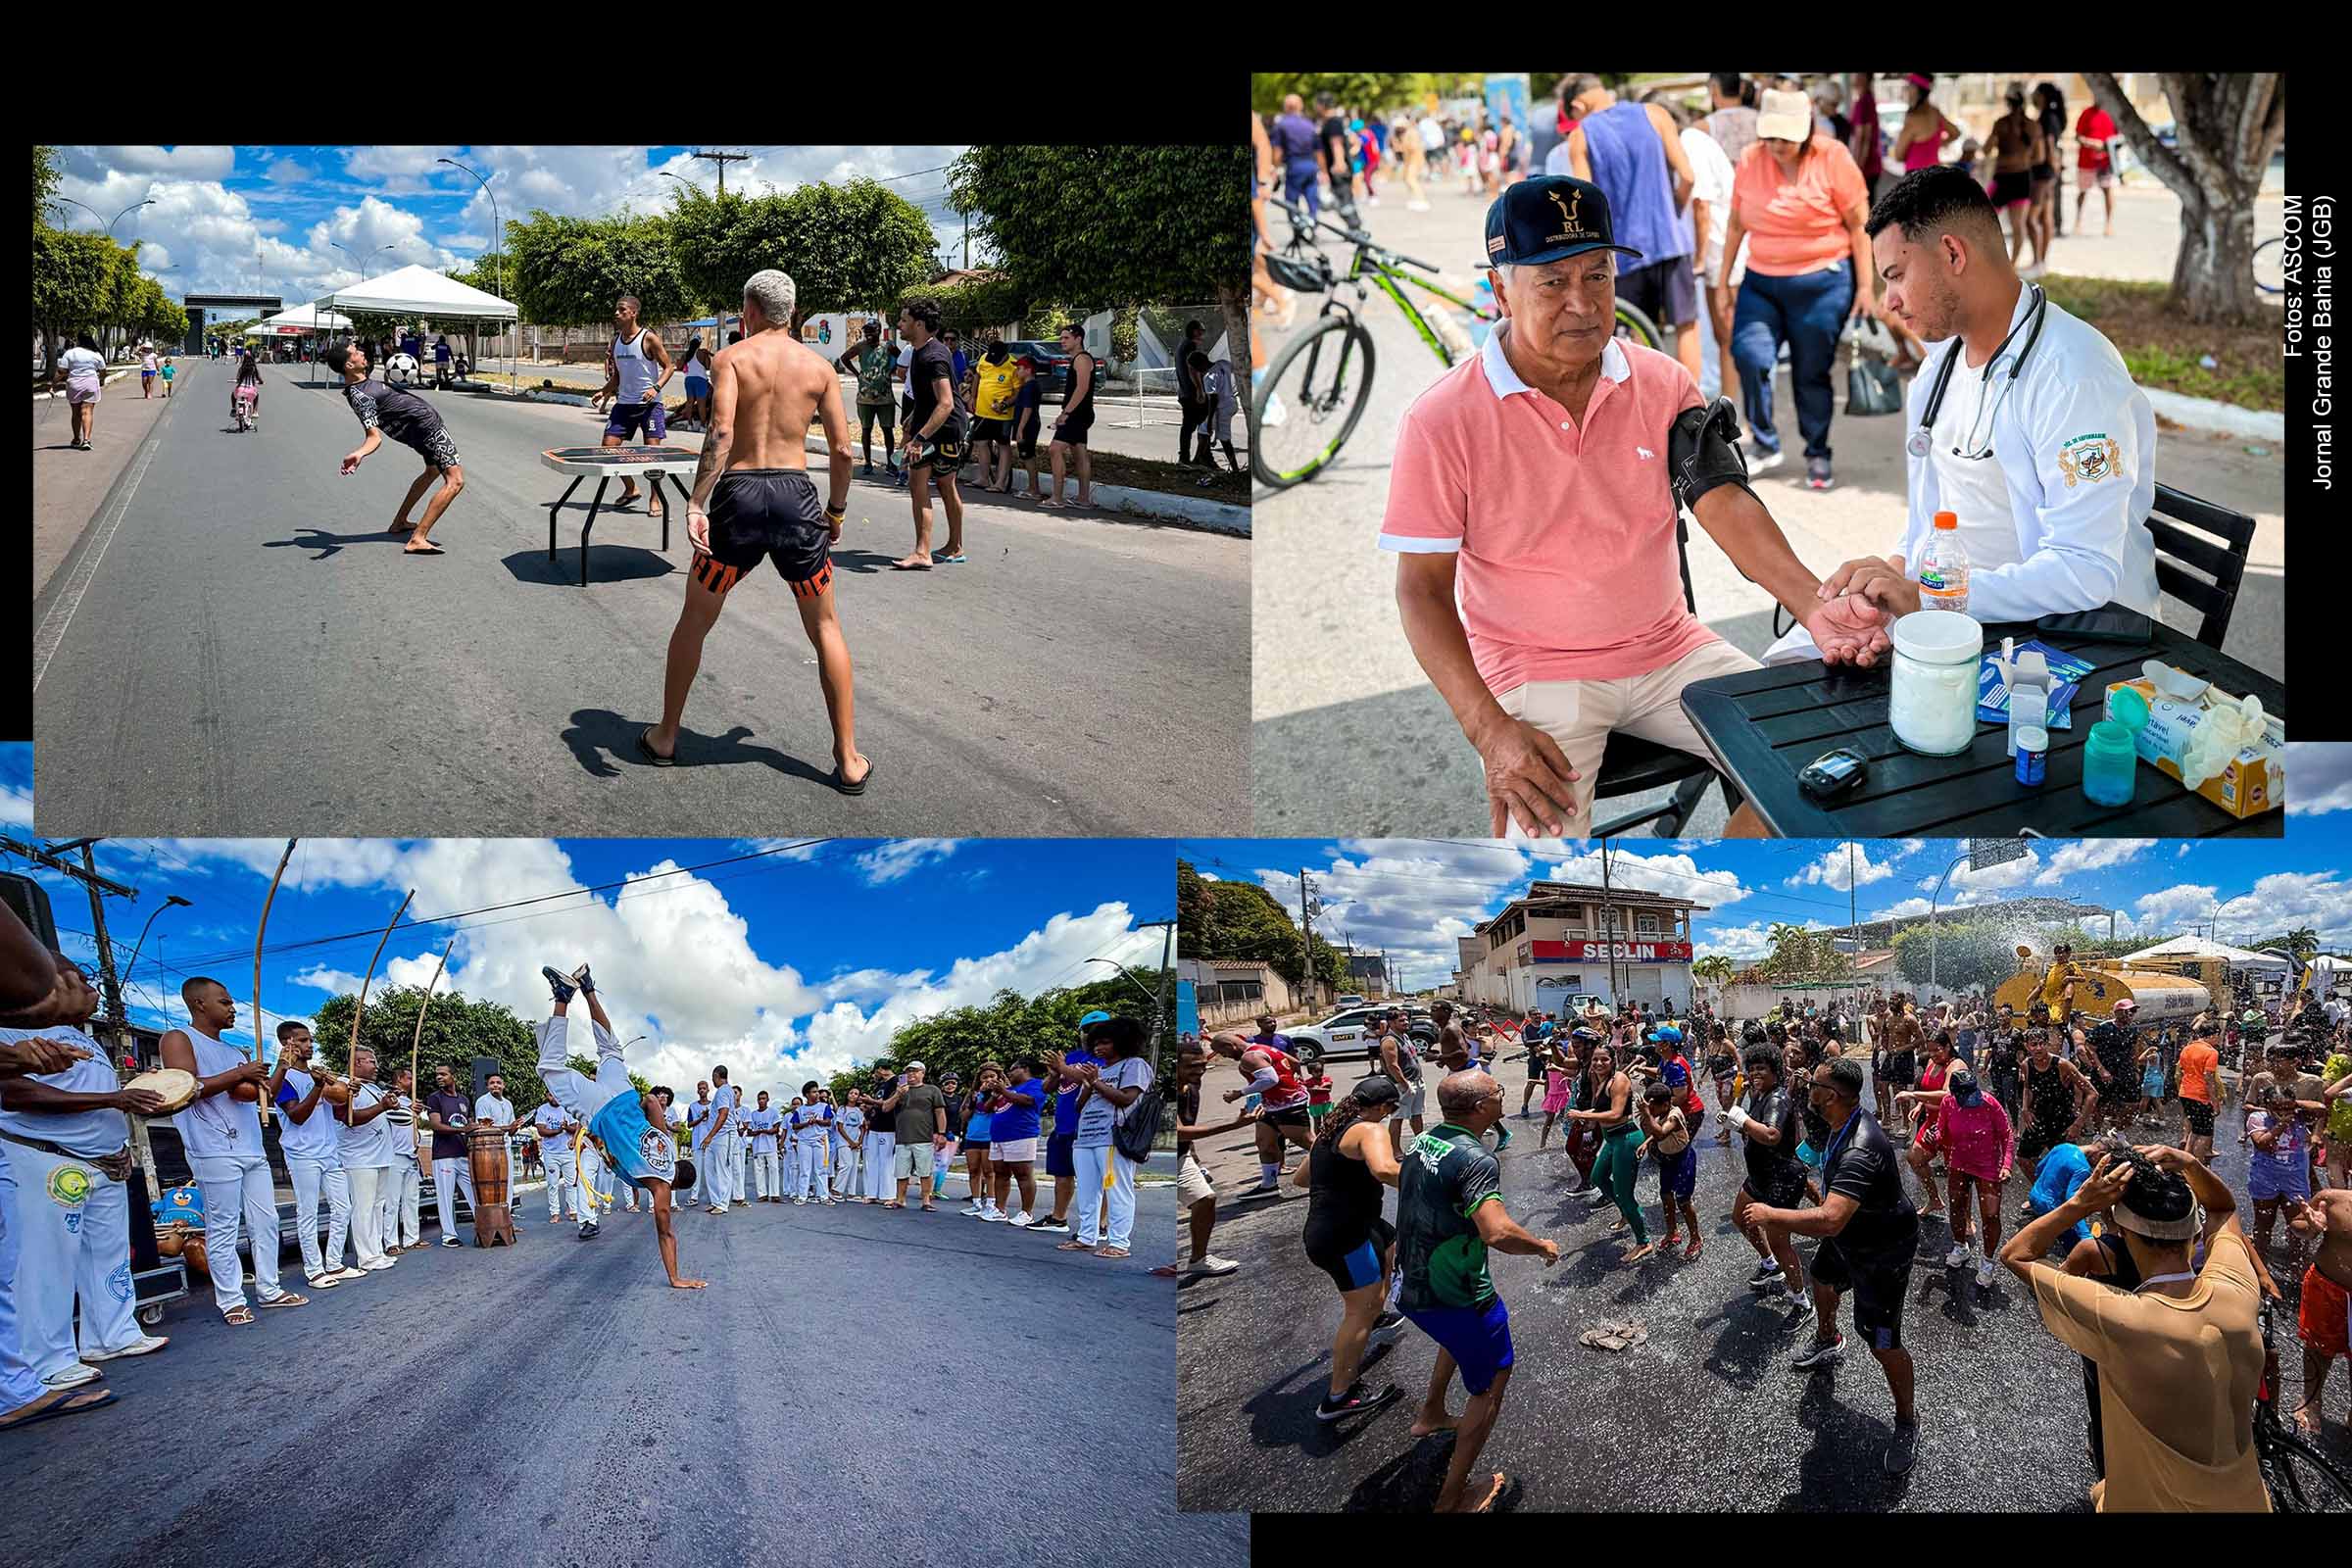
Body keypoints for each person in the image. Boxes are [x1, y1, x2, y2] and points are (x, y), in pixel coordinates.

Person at [1384, 172, 1891, 842]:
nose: (1582, 304)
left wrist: (1814, 607)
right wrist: (1490, 729)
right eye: (1552, 282)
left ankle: (1718, 897)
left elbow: (1724, 501)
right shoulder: (1442, 419)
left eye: (1598, 276)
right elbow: (1421, 593)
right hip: (1538, 673)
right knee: (1544, 880)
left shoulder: (1660, 380)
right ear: (1501, 289)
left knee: (1833, 768)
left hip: (1670, 649)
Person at [1787, 167, 2164, 652]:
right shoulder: (1938, 369)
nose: (1890, 302)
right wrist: (1891, 574)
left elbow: (2085, 570)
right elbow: (1932, 519)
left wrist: (1929, 597)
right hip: (1961, 616)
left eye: (1896, 276)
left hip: (2069, 637)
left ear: (1952, 253)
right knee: (1803, 653)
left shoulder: (2073, 376)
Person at [641, 270, 865, 793]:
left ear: (750, 311)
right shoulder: (819, 368)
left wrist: (697, 502)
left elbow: (721, 430)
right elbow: (841, 450)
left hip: (739, 497)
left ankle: (666, 736)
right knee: (826, 628)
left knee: (695, 618)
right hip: (794, 499)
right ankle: (849, 758)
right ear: (792, 310)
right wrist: (834, 513)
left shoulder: (732, 359)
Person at [2000, 1143, 2271, 1509]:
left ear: (2123, 1232)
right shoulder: (2235, 1287)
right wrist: (2191, 1163)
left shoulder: (2123, 1318)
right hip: (2249, 1499)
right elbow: (2223, 1208)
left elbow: (2016, 1254)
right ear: (2193, 1232)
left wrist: (2080, 1204)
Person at [0, 958, 171, 1388]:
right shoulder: (13, 1029)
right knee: (47, 1262)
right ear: (52, 982)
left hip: (104, 1163)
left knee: (108, 1257)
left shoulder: (84, 1038)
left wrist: (121, 1143)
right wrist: (115, 1100)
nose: (92, 989)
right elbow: (18, 1094)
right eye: (83, 979)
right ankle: (48, 1360)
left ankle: (111, 1334)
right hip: (50, 1159)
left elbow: (103, 1100)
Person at [1746, 1056, 1921, 1473]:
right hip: (1850, 1236)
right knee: (1823, 1279)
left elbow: (1830, 1219)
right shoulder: (1836, 1121)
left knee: (1883, 1343)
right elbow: (1806, 1146)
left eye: (1816, 1085)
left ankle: (1907, 1420)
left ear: (1834, 1096)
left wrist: (1772, 1214)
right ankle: (1828, 1338)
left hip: (1882, 1249)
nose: (1809, 1089)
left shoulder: (1861, 1147)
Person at [1396, 1069, 1557, 1512]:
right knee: (1488, 1387)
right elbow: (1497, 1231)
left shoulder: (1425, 1140)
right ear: (1482, 1107)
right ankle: (1453, 1498)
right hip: (1460, 1294)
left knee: (1453, 1343)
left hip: (1412, 1282)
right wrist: (1541, 1245)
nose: (1501, 1096)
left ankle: (1430, 1414)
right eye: (1497, 1093)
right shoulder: (1476, 1158)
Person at [1713, 88, 1876, 492]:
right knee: (1749, 356)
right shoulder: (1751, 160)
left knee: (1810, 371)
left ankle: (1817, 451)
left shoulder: (1832, 157)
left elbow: (1860, 225)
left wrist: (1867, 287)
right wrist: (1722, 282)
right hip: (1761, 281)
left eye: (1785, 136)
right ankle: (1764, 442)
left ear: (1805, 132)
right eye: (1770, 136)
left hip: (1823, 282)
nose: (1777, 145)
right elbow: (1735, 225)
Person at [531, 965, 703, 1287]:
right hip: (601, 1110)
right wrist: (677, 1277)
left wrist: (631, 1118)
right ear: (678, 1183)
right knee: (549, 1068)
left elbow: (652, 1102)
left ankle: (588, 987)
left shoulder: (665, 1141)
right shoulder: (662, 1187)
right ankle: (563, 998)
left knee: (611, 1051)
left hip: (624, 1096)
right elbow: (666, 1234)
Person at [160, 977, 308, 1324]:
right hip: (211, 1148)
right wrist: (241, 1071)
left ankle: (270, 1290)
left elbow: (257, 1096)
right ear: (199, 1004)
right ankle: (230, 1300)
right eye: (224, 1002)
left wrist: (281, 1066)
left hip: (251, 1147)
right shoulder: (178, 1038)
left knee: (267, 1222)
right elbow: (187, 1087)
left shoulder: (234, 1051)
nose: (232, 1009)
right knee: (223, 1225)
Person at [1550, 75, 1702, 382]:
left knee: (1637, 332)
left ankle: (1652, 406)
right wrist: (1671, 211)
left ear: (1578, 105)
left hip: (1623, 255)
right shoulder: (1654, 115)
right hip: (1670, 241)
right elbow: (1687, 174)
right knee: (1687, 325)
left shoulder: (1580, 137)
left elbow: (1586, 205)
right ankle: (1696, 411)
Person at [1298, 1074, 1406, 1419]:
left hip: (1334, 1228)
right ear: (1382, 1107)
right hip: (1345, 1236)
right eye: (1390, 1110)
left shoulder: (1330, 1131)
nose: (1389, 1116)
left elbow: (1300, 1178)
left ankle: (1375, 1315)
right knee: (1360, 1310)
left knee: (1391, 1243)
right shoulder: (1370, 1130)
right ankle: (1339, 1397)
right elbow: (1386, 1169)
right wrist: (1437, 1185)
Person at [323, 340, 466, 556]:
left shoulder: (362, 384)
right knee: (455, 481)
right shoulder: (361, 397)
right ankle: (418, 538)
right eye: (355, 353)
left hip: (423, 429)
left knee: (431, 472)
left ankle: (399, 522)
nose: (361, 353)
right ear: (349, 366)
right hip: (427, 431)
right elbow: (373, 437)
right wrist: (359, 453)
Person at [270, 1024, 362, 1292]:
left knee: (343, 1207)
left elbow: (335, 1108)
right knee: (308, 1212)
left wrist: (345, 1092)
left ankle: (334, 1262)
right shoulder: (284, 1077)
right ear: (288, 1043)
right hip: (302, 1153)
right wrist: (319, 1088)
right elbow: (297, 1115)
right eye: (303, 1040)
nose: (310, 1045)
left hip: (329, 1151)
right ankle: (314, 1269)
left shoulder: (318, 1075)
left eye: (311, 1040)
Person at [1727, 1038, 1812, 1319]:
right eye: (1751, 1069)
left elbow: (1772, 1136)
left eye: (1761, 1069)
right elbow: (1753, 1129)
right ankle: (1769, 1264)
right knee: (1740, 1218)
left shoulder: (1776, 1098)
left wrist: (1743, 1121)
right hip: (1760, 1175)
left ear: (1775, 1070)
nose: (1755, 1074)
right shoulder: (1759, 1094)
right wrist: (1738, 1120)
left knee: (1780, 1242)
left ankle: (1801, 1301)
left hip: (1782, 1179)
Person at [1056, 1016, 1152, 1258]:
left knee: (1117, 1189)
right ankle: (1087, 1236)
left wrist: (1096, 1082)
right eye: (1095, 1043)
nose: (1099, 1048)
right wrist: (1089, 1085)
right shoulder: (1098, 1070)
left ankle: (1119, 1242)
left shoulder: (1134, 1065)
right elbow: (1079, 1106)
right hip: (1085, 1137)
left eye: (1106, 1042)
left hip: (1112, 1138)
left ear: (1122, 1042)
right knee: (1088, 1190)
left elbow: (1126, 1098)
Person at [885, 298, 966, 569]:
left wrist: (920, 438)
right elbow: (928, 397)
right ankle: (953, 547)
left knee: (924, 485)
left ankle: (925, 552)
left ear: (919, 324)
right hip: (936, 426)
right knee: (937, 485)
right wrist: (913, 417)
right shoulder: (922, 350)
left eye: (904, 320)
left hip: (943, 430)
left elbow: (946, 402)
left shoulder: (933, 356)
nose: (899, 324)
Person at [1159, 1039, 1248, 1281]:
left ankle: (1198, 1260)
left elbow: (1188, 1129)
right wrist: (1232, 1125)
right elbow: (1179, 1131)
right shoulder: (1165, 1092)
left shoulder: (1193, 1088)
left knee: (1206, 1200)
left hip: (1182, 1155)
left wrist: (1196, 1160)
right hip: (1162, 1157)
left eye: (1201, 1065)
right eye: (1191, 1067)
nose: (1199, 1071)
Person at [1928, 1065, 2013, 1288]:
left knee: (1990, 1215)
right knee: (1957, 1207)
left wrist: (2006, 1165)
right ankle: (1960, 1246)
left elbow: (2007, 1135)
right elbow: (1941, 1131)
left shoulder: (1989, 1103)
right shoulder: (1948, 1103)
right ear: (1955, 1094)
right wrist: (1933, 1136)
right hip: (1960, 1162)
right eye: (1965, 1095)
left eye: (1973, 1092)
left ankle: (1988, 1261)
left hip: (1987, 1166)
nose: (1971, 1098)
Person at [1209, 1029, 1314, 1199]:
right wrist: (1297, 1080)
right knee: (1264, 1143)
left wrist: (1239, 1093)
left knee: (1307, 1141)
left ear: (1231, 1045)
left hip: (1287, 1104)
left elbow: (1270, 1079)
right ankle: (1269, 1185)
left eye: (1223, 1052)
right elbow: (1294, 1061)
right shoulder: (1262, 1047)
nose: (1225, 1056)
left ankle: (1348, 1168)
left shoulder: (1249, 1057)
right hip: (1271, 1105)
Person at [1034, 1012, 1106, 1236]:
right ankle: (1058, 1218)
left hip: (1091, 1128)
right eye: (1088, 1029)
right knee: (1062, 1174)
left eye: (1099, 1029)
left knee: (1098, 1179)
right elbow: (1046, 1088)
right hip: (1063, 1126)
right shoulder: (1073, 1056)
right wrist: (1056, 1072)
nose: (1092, 1034)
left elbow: (1091, 1081)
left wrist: (1063, 1067)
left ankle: (1101, 1225)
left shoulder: (1106, 1058)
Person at [1635, 1080, 1702, 1259]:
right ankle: (1672, 1232)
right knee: (1665, 1195)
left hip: (1683, 1159)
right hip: (1667, 1159)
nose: (1651, 1112)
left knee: (1683, 1201)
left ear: (1665, 1104)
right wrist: (1646, 1142)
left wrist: (1646, 1114)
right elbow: (1654, 1131)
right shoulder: (1660, 1112)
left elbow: (1662, 1132)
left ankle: (1696, 1238)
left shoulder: (1674, 1115)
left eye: (1653, 1108)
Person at [1984, 83, 2049, 270]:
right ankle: (2011, 265)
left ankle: (1992, 260)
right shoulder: (2033, 126)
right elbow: (2040, 157)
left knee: (1985, 220)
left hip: (2002, 177)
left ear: (2008, 102)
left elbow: (1986, 149)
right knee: (2018, 225)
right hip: (2022, 178)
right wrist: (2022, 159)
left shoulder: (2001, 123)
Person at [421, 1062, 475, 1246]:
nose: (439, 1077)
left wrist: (473, 1129)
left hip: (462, 1153)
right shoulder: (435, 1098)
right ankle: (449, 1235)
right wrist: (463, 1129)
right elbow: (435, 1125)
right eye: (437, 1074)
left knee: (474, 1193)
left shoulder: (464, 1100)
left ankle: (484, 1227)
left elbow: (469, 1125)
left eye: (443, 1074)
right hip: (443, 1155)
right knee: (445, 1196)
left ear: (454, 1076)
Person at [836, 319, 899, 476]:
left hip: (885, 397)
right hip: (865, 397)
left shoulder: (888, 346)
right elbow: (844, 358)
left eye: (872, 331)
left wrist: (892, 371)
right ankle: (868, 463)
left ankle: (891, 463)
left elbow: (902, 358)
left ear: (878, 331)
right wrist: (858, 374)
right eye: (867, 332)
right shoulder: (860, 346)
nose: (869, 335)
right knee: (866, 429)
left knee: (887, 430)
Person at [1046, 321, 1097, 510]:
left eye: (1066, 338)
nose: (1062, 341)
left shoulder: (1082, 359)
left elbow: (1082, 388)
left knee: (1055, 449)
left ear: (1078, 339)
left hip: (1077, 414)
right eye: (1061, 338)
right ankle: (1083, 499)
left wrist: (1066, 413)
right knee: (1080, 453)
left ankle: (1057, 497)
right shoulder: (1077, 359)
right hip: (1079, 413)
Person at [888, 1060, 949, 1212]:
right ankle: (900, 1199)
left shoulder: (932, 1090)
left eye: (914, 1071)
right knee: (901, 1172)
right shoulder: (900, 1090)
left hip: (924, 1137)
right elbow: (885, 1107)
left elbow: (940, 1112)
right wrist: (898, 1094)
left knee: (925, 1172)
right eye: (908, 1071)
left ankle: (926, 1201)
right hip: (902, 1138)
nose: (911, 1074)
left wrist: (941, 1133)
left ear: (923, 1073)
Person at [966, 338, 1020, 491]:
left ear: (1005, 355)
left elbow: (1018, 392)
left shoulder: (1013, 367)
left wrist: (1004, 404)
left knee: (1003, 445)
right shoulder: (984, 358)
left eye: (997, 359)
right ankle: (983, 478)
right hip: (982, 411)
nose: (994, 362)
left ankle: (1000, 483)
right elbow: (977, 376)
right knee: (981, 443)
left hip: (1002, 415)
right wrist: (973, 397)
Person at [1374, 1009, 1427, 1156]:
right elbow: (1392, 1066)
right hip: (1402, 1085)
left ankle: (1420, 1144)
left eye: (1406, 1020)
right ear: (1391, 1022)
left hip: (1417, 1081)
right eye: (1401, 1021)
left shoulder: (1404, 1036)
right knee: (1398, 1117)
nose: (1406, 1022)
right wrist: (1404, 1084)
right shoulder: (1389, 1041)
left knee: (1417, 1115)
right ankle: (1396, 1150)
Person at [1890, 74, 1961, 175]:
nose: (1907, 90)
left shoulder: (1913, 119)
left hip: (1915, 178)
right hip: (1935, 174)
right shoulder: (1936, 114)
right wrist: (1938, 144)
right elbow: (1956, 133)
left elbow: (1898, 155)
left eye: (1909, 86)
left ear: (1916, 90)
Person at [2176, 1021, 2224, 1162]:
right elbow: (2208, 1078)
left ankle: (2186, 1163)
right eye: (2218, 1036)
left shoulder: (2187, 1048)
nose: (2219, 1039)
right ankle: (2198, 1165)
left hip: (2185, 1093)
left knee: (2195, 1130)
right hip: (2201, 1096)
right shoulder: (2211, 1052)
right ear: (2213, 1034)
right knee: (2205, 1134)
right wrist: (2215, 1103)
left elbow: (2182, 1070)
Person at [2074, 96, 2120, 237]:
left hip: (2105, 161)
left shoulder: (2113, 115)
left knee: (2107, 191)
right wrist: (2090, 143)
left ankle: (2108, 224)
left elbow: (2119, 138)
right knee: (2083, 191)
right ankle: (2078, 222)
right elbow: (2078, 136)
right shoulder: (2087, 113)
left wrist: (2106, 146)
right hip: (2087, 161)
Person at [1271, 94, 1323, 219]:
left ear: (1286, 107)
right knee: (1312, 198)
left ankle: (1298, 231)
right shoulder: (1310, 124)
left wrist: (1274, 168)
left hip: (1295, 165)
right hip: (1311, 165)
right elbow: (1319, 150)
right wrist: (1323, 170)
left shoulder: (1281, 125)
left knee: (1292, 200)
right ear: (1301, 106)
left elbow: (1277, 151)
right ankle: (1312, 226)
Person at [534, 1095, 583, 1223]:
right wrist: (559, 1129)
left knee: (571, 1183)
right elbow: (541, 1131)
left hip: (568, 1152)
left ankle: (573, 1210)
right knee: (552, 1184)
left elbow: (576, 1128)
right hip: (551, 1154)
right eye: (550, 1095)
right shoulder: (542, 1110)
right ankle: (554, 1213)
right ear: (546, 1096)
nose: (554, 1097)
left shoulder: (567, 1108)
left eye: (555, 1094)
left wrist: (566, 1128)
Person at [698, 1064, 739, 1214]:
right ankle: (715, 1201)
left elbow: (724, 1114)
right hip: (716, 1137)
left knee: (722, 1170)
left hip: (724, 1135)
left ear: (716, 1076)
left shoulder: (723, 1091)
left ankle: (722, 1204)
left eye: (713, 1078)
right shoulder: (725, 1091)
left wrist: (709, 1136)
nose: (712, 1081)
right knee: (711, 1169)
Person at [53, 333, 105, 451]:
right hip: (90, 383)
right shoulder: (95, 354)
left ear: (79, 341)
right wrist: (101, 380)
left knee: (75, 412)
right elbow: (102, 371)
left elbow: (61, 371)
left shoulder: (70, 353)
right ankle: (86, 440)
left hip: (74, 384)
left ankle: (76, 439)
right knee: (87, 412)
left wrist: (53, 385)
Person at [743, 1090, 780, 1202]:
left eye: (763, 1099)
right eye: (759, 1099)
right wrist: (758, 1132)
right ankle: (762, 1194)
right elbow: (749, 1132)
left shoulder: (773, 1112)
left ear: (768, 1100)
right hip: (758, 1147)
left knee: (774, 1170)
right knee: (759, 1171)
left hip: (771, 1146)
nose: (761, 1101)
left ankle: (775, 1195)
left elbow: (776, 1128)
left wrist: (767, 1131)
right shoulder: (753, 1114)